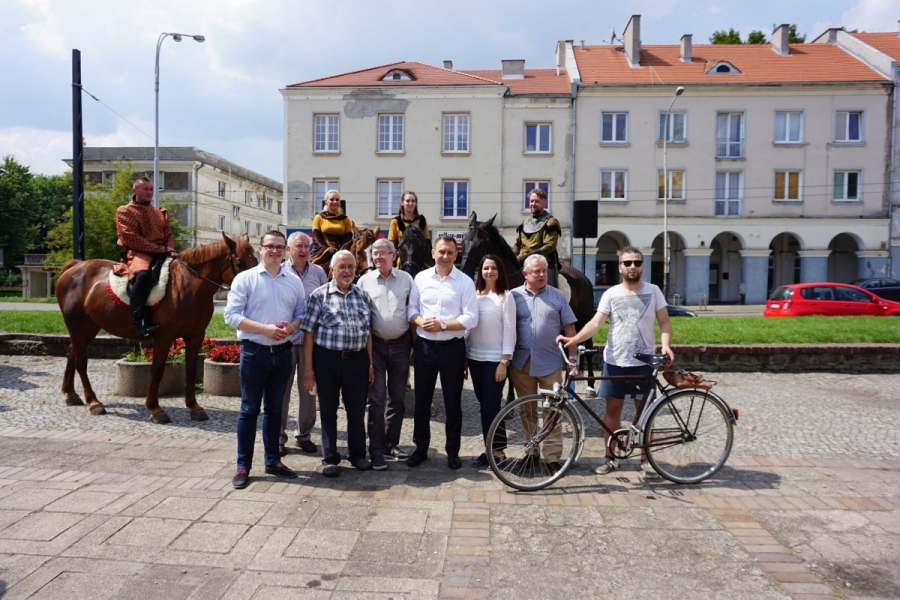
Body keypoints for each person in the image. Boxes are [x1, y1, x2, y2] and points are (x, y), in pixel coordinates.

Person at [558, 246, 674, 479]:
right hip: (615, 360)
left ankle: (646, 459)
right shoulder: (611, 294)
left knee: (644, 412)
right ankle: (609, 456)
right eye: (628, 263)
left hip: (643, 362)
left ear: (642, 266)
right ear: (620, 267)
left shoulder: (653, 291)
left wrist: (666, 345)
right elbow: (595, 323)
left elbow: (664, 322)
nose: (633, 267)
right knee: (612, 409)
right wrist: (574, 339)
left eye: (637, 262)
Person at [224, 230, 305, 489]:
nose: (275, 251)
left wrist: (292, 327)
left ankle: (273, 461)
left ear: (286, 251)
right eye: (270, 246)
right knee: (249, 410)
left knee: (274, 410)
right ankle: (243, 465)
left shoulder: (293, 281)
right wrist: (265, 329)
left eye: (280, 247)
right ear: (261, 249)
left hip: (282, 353)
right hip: (254, 352)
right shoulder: (245, 279)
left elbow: (301, 313)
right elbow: (231, 316)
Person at [301, 249, 375, 477]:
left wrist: (370, 364)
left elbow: (368, 334)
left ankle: (357, 455)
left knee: (357, 410)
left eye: (351, 267)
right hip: (327, 360)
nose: (347, 271)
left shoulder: (363, 296)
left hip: (357, 360)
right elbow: (308, 334)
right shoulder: (319, 295)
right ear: (332, 270)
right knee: (328, 410)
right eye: (342, 267)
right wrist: (308, 369)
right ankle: (330, 458)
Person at [407, 234, 478, 470]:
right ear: (433, 253)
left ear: (456, 254)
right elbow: (411, 309)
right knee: (421, 401)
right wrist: (419, 321)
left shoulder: (465, 282)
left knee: (453, 403)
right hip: (425, 347)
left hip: (452, 349)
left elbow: (471, 318)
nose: (445, 256)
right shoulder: (421, 278)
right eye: (441, 252)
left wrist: (444, 325)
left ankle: (452, 451)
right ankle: (420, 448)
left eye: (450, 252)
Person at [510, 254, 577, 472]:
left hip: (550, 363)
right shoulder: (513, 296)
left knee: (553, 411)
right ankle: (531, 452)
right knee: (526, 410)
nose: (541, 275)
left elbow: (569, 328)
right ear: (525, 274)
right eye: (536, 271)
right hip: (522, 363)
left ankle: (552, 457)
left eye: (544, 271)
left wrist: (573, 358)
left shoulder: (557, 296)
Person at [357, 239, 418, 470]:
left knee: (398, 398)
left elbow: (413, 311)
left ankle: (391, 443)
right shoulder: (364, 281)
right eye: (375, 254)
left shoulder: (406, 279)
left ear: (394, 256)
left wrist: (415, 346)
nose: (378, 257)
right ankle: (376, 448)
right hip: (376, 346)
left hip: (402, 345)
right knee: (376, 398)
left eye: (383, 253)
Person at [279, 231, 328, 457]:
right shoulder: (280, 271)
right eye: (298, 246)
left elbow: (327, 303)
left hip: (311, 342)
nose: (303, 250)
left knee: (309, 390)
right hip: (286, 341)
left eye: (306, 246)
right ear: (289, 250)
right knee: (281, 390)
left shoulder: (318, 273)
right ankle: (279, 437)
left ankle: (304, 435)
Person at [465, 255, 515, 468]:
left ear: (499, 271)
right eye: (486, 268)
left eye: (493, 268)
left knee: (491, 405)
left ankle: (498, 452)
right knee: (484, 406)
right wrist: (464, 357)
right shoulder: (474, 295)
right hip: (475, 358)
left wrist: (504, 361)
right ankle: (490, 449)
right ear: (480, 271)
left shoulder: (506, 296)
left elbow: (510, 330)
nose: (489, 271)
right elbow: (468, 328)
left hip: (495, 360)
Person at [114, 176, 178, 337]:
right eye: (145, 189)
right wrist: (160, 249)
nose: (149, 192)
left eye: (151, 189)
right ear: (135, 190)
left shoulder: (159, 212)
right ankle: (139, 321)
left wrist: (170, 248)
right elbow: (131, 239)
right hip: (139, 253)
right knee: (143, 276)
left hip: (164, 251)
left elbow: (169, 234)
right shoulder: (125, 211)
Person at [513, 188, 561, 288]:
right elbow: (517, 244)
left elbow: (549, 246)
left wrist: (526, 257)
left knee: (549, 287)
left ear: (544, 203)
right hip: (522, 263)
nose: (533, 204)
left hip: (543, 262)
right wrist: (514, 257)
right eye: (531, 201)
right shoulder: (524, 223)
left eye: (537, 201)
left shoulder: (551, 222)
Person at [310, 190, 353, 269]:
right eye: (332, 199)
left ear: (340, 202)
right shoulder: (319, 218)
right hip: (323, 253)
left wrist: (340, 252)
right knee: (314, 270)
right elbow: (316, 238)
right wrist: (329, 250)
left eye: (337, 200)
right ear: (326, 201)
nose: (335, 202)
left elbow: (348, 240)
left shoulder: (346, 220)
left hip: (341, 252)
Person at [388, 191, 430, 266]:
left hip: (419, 261)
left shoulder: (421, 220)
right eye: (407, 201)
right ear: (402, 203)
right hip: (401, 261)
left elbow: (427, 243)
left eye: (413, 201)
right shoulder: (395, 221)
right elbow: (391, 244)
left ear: (416, 203)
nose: (410, 203)